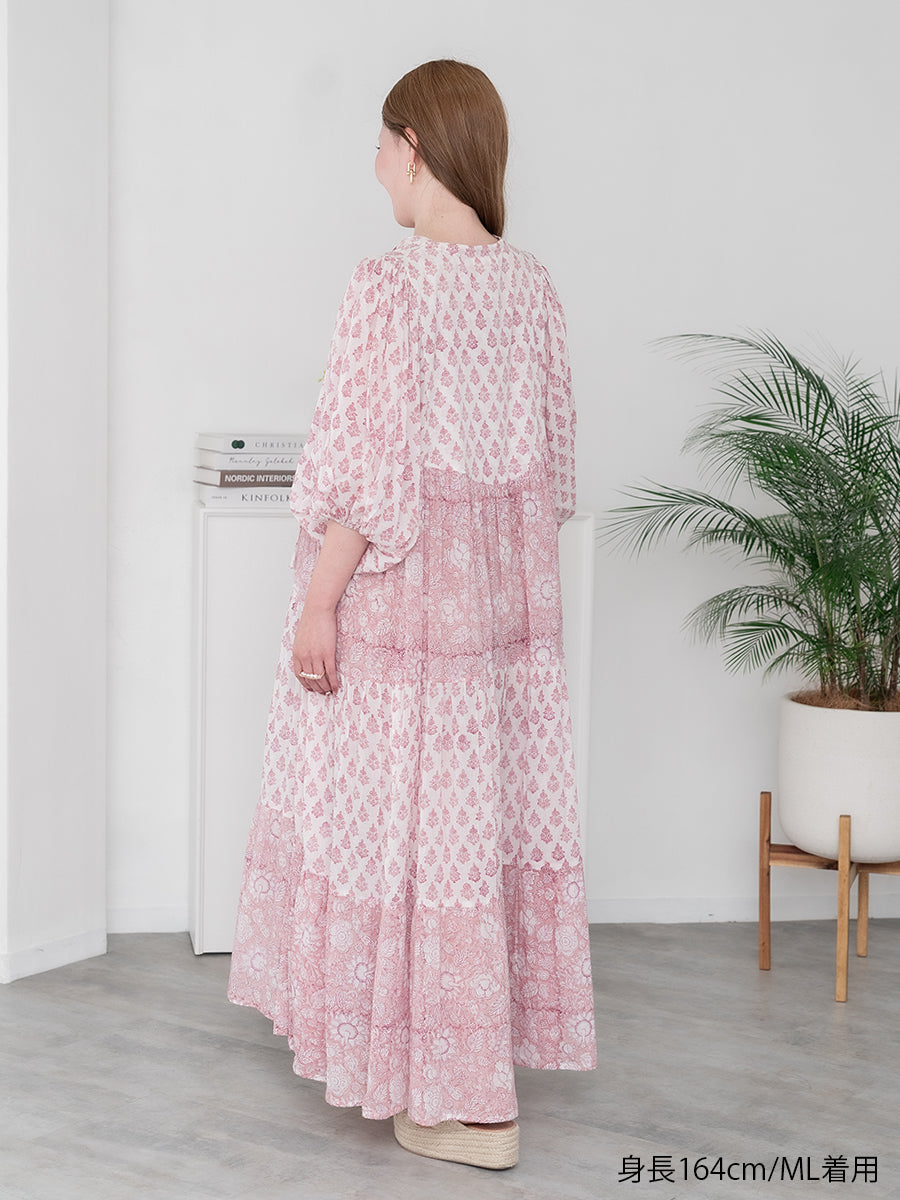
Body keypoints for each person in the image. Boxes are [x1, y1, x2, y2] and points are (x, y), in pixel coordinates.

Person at [227, 58, 596, 1171]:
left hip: (400, 619)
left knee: (393, 841)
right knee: (466, 847)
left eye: (383, 143)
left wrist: (319, 605)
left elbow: (366, 477)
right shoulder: (532, 290)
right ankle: (474, 1088)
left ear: (417, 146)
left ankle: (447, 1102)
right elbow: (554, 477)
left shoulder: (389, 288)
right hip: (496, 625)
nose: (376, 165)